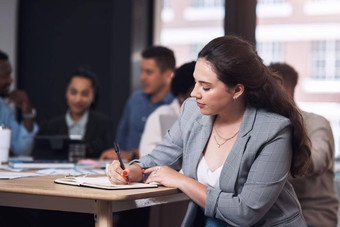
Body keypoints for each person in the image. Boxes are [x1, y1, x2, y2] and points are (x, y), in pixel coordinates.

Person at [107, 35, 312, 226]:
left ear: (237, 90)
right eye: (195, 82)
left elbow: (246, 212)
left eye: (205, 87)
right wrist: (133, 170)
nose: (194, 93)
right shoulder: (192, 111)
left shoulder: (273, 131)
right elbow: (161, 157)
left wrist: (182, 180)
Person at [269, 62, 339, 227]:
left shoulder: (317, 124)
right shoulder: (265, 125)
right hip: (276, 216)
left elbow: (316, 160)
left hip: (312, 216)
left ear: (283, 90)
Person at [100, 46, 175, 161]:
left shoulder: (176, 105)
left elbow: (172, 151)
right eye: (142, 71)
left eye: (149, 72)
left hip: (157, 171)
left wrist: (132, 154)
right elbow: (121, 141)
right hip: (126, 168)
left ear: (168, 74)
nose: (142, 77)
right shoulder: (135, 99)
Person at [38, 67, 112, 158]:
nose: (78, 99)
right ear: (66, 93)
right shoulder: (50, 126)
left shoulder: (103, 124)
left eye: (84, 94)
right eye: (73, 92)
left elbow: (109, 155)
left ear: (93, 96)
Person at [139, 61, 195, 157]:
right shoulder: (162, 114)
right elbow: (147, 155)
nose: (198, 94)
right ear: (182, 94)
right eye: (194, 89)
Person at [0, 49, 38, 156]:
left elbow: (22, 151)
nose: (10, 80)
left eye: (10, 75)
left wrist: (28, 113)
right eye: (5, 76)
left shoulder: (4, 109)